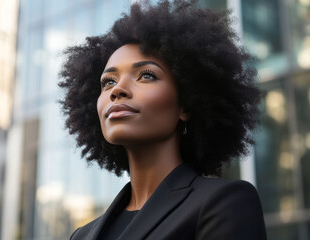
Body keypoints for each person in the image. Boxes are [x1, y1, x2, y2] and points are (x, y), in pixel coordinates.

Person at [59, 0, 267, 239]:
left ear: (186, 103)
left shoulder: (225, 203)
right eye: (108, 82)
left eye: (146, 75)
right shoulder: (81, 235)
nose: (117, 90)